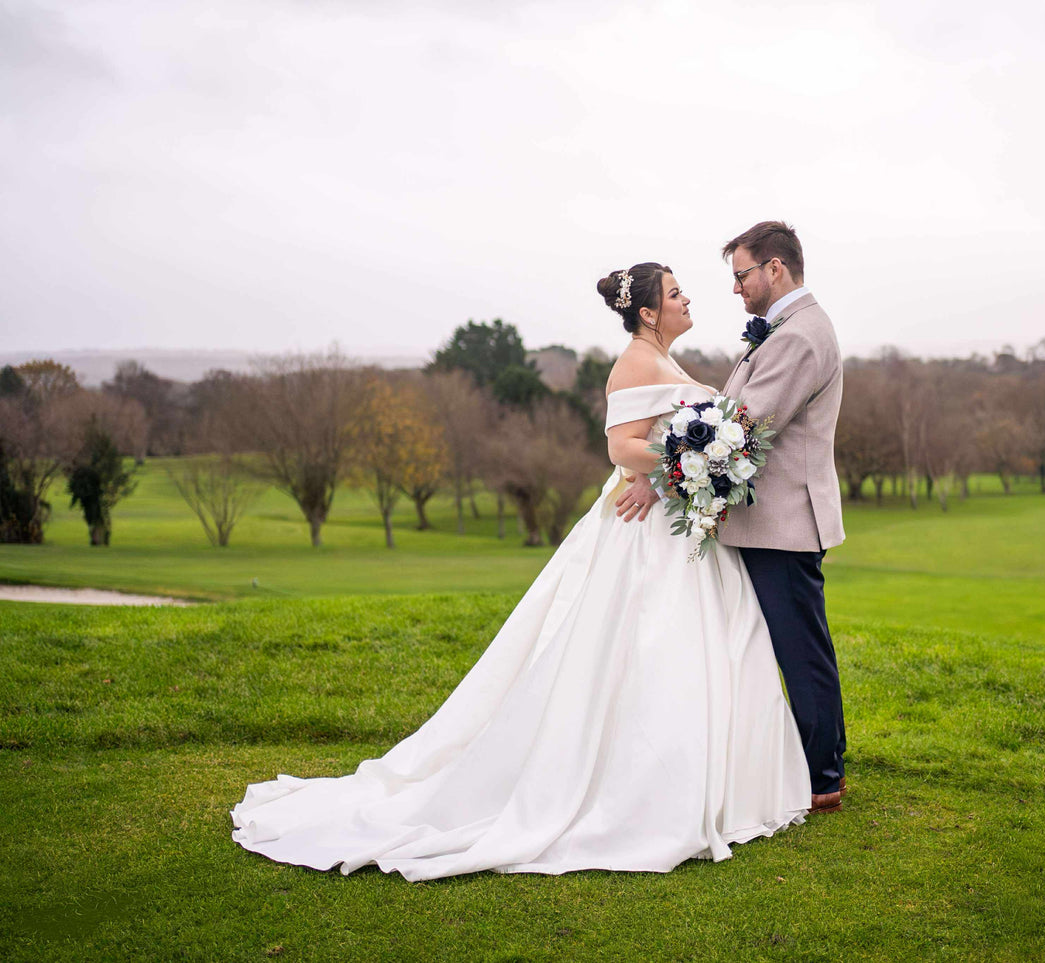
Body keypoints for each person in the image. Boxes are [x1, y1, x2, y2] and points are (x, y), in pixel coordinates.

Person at [230, 262, 811, 880]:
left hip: (677, 528)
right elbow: (621, 447)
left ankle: (718, 784)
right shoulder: (636, 362)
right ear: (647, 312)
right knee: (652, 653)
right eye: (674, 293)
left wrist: (685, 467)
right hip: (647, 539)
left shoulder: (661, 360)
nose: (686, 297)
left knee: (709, 649)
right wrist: (690, 464)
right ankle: (643, 792)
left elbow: (649, 444)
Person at [614, 222, 848, 815]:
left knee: (800, 648)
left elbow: (740, 426)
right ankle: (799, 763)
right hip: (761, 518)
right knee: (771, 645)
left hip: (783, 519)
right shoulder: (785, 330)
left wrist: (664, 470)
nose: (736, 288)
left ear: (775, 268)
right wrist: (658, 467)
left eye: (742, 274)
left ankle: (822, 776)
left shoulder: (799, 337)